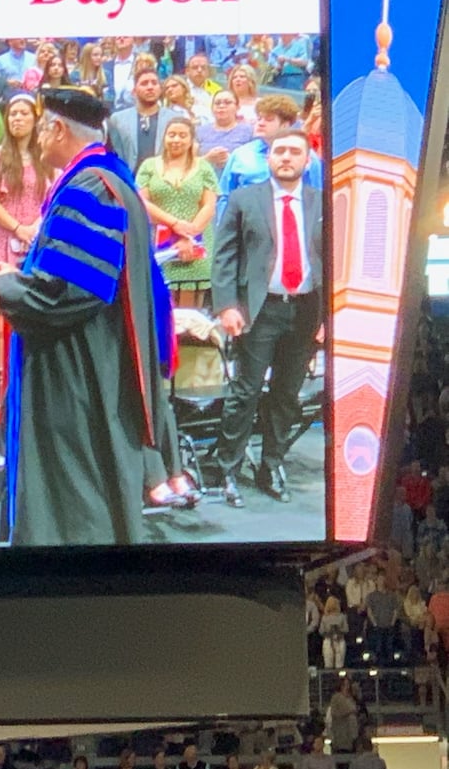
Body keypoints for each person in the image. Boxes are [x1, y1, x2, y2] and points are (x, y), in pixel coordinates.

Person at [0, 87, 182, 546]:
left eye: (45, 127)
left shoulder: (92, 187)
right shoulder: (108, 179)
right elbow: (71, 267)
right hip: (94, 358)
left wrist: (4, 290)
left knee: (76, 496)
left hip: (80, 370)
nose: (41, 138)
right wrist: (19, 272)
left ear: (58, 128)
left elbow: (74, 289)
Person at [209, 130, 323, 508]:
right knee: (245, 392)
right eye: (279, 151)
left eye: (295, 152)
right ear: (269, 158)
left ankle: (271, 464)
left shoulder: (323, 202)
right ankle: (228, 468)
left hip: (306, 309)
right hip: (259, 310)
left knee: (286, 395)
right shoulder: (244, 199)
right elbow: (224, 256)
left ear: (308, 160)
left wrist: (331, 317)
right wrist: (226, 305)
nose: (286, 157)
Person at [135, 116, 218, 307]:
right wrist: (175, 224)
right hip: (159, 247)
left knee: (191, 320)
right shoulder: (148, 166)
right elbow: (141, 202)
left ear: (191, 140)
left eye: (182, 135)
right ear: (164, 138)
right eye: (171, 135)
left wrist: (188, 237)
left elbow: (209, 206)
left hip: (196, 247)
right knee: (159, 309)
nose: (176, 140)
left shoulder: (204, 167)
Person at [0, 93, 50, 279]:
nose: (17, 118)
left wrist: (33, 228)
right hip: (1, 235)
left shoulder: (46, 158)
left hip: (36, 235)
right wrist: (18, 229)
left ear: (35, 119)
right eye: (13, 114)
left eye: (24, 113)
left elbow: (53, 196)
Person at [106, 66, 178, 172]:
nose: (150, 87)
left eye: (154, 83)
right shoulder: (117, 119)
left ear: (160, 89)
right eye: (144, 83)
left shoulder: (175, 119)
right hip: (128, 182)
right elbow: (113, 155)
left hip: (165, 180)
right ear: (134, 91)